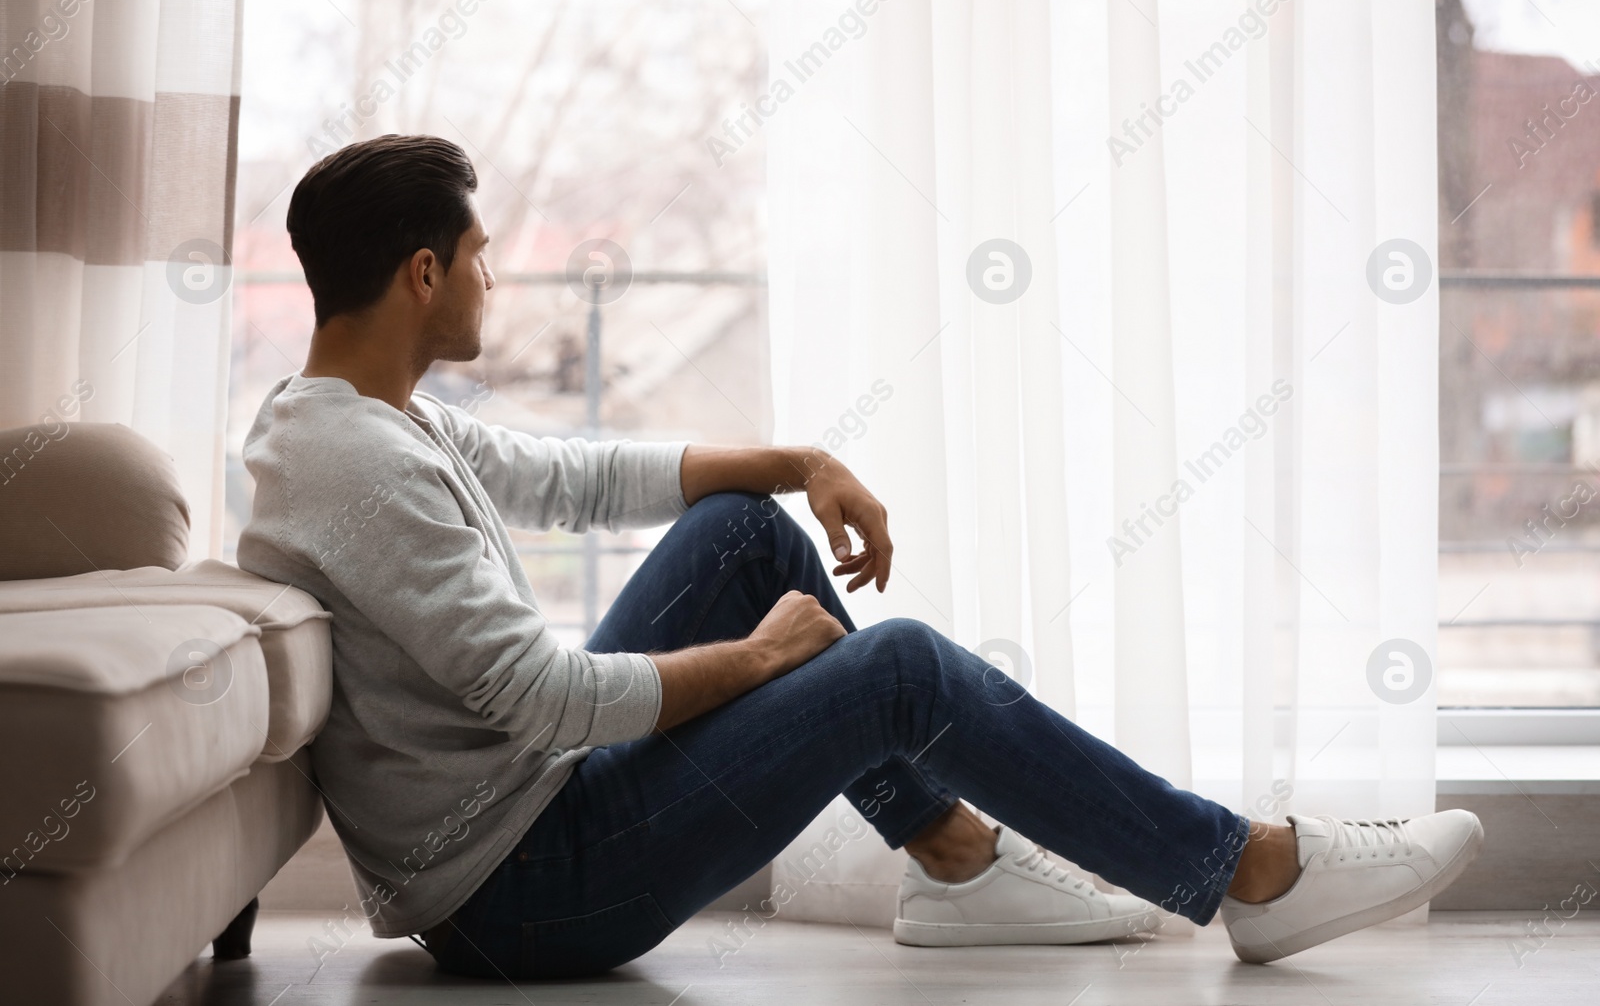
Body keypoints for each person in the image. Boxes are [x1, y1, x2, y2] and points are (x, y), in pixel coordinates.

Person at [238, 134, 1483, 980]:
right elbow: (546, 694)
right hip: (516, 893)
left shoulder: (367, 417)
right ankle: (1248, 871)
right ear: (421, 273)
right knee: (897, 669)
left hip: (527, 808)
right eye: (478, 258)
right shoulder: (363, 467)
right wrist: (762, 655)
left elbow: (574, 476)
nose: (494, 281)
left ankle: (954, 861)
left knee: (744, 534)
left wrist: (798, 462)